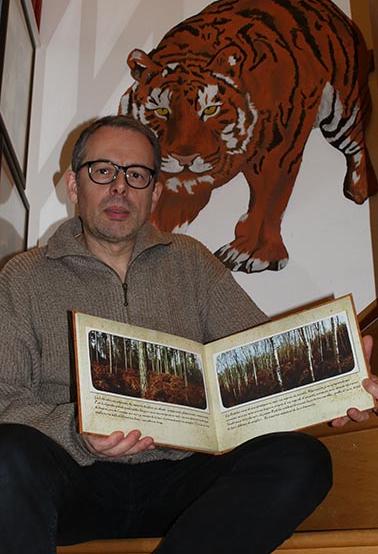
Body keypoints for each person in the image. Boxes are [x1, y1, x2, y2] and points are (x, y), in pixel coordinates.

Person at [0, 114, 373, 554]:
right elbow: (5, 399)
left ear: (155, 193)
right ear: (74, 185)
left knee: (302, 458)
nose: (120, 187)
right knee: (6, 451)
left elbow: (258, 363)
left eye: (137, 175)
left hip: (183, 481)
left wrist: (333, 384)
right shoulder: (22, 276)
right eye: (103, 171)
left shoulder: (191, 261)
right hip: (75, 479)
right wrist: (77, 430)